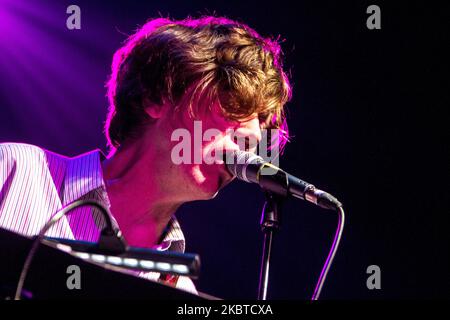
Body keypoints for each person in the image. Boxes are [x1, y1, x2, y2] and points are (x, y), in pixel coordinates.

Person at [0, 16, 291, 294]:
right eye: (233, 107)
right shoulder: (14, 172)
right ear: (156, 96)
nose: (253, 136)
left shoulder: (180, 290)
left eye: (258, 128)